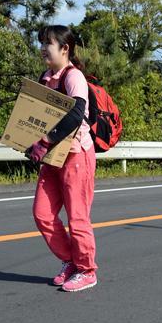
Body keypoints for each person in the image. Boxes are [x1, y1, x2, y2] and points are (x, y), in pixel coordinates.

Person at [27, 25, 98, 292]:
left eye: (48, 43)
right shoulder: (46, 77)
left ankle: (87, 270)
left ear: (65, 48)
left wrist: (45, 141)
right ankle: (71, 261)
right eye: (41, 43)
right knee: (42, 214)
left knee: (77, 218)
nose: (43, 48)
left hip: (76, 154)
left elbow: (76, 114)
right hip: (52, 156)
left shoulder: (73, 76)